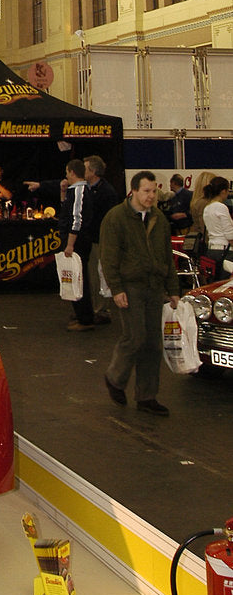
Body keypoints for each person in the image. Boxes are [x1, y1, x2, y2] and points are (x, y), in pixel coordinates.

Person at [100, 170, 180, 416]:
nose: (151, 196)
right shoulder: (116, 218)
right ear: (133, 191)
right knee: (135, 337)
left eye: (154, 191)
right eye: (146, 191)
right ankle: (115, 378)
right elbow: (109, 257)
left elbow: (167, 256)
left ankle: (147, 396)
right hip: (130, 286)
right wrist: (117, 289)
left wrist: (173, 290)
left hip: (154, 287)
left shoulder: (159, 219)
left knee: (153, 344)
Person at [57, 159, 96, 331]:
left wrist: (70, 244)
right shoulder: (73, 190)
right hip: (73, 240)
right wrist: (63, 192)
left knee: (79, 279)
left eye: (67, 172)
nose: (66, 175)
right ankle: (81, 314)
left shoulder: (80, 190)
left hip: (77, 241)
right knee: (74, 277)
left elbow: (77, 219)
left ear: (72, 172)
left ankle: (86, 319)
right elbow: (66, 211)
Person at [83, 155, 120, 325]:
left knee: (99, 275)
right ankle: (94, 308)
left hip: (100, 240)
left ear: (93, 171)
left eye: (85, 168)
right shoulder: (88, 188)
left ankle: (102, 309)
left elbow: (109, 220)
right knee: (91, 276)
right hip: (91, 239)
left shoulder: (107, 192)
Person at [200, 176, 233, 279]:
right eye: (228, 191)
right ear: (223, 191)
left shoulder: (207, 208)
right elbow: (230, 235)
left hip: (212, 251)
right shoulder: (221, 207)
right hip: (224, 252)